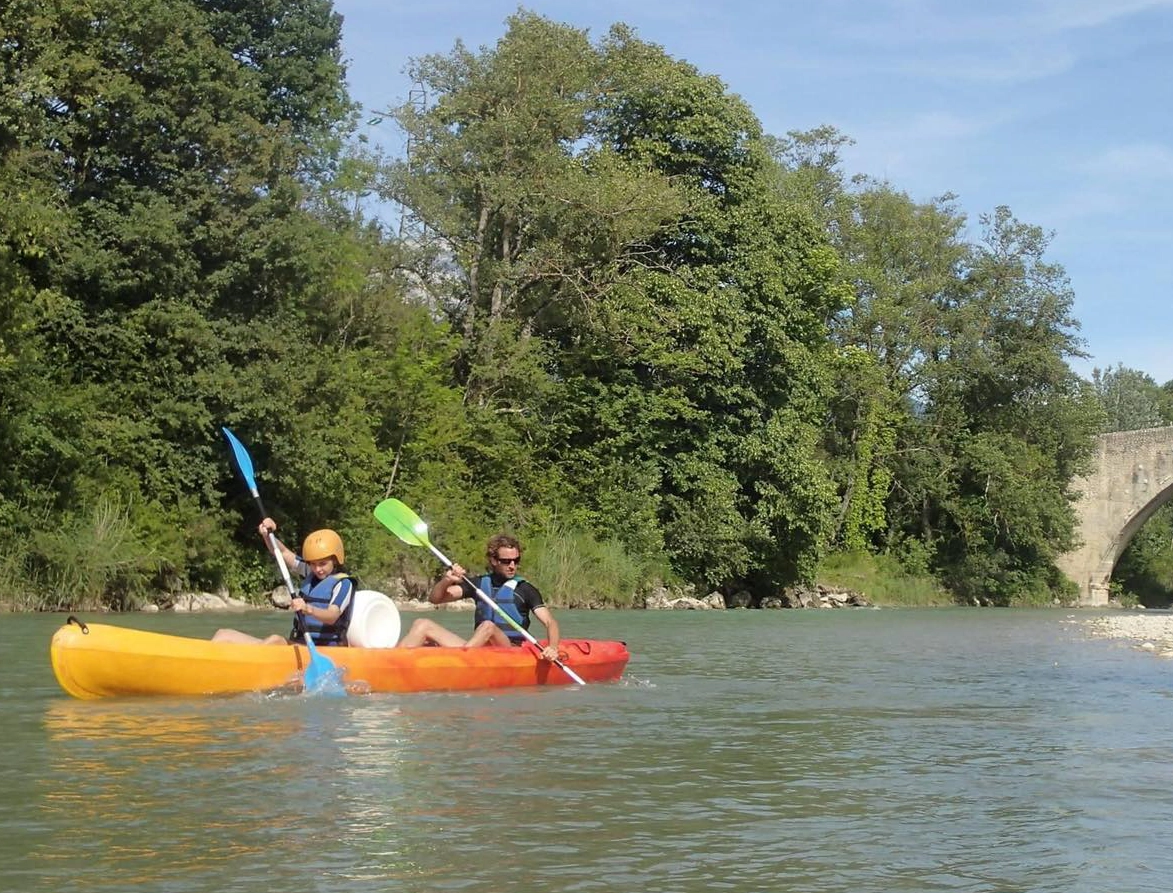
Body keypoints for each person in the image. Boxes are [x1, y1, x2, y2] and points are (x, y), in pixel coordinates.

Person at [397, 533, 562, 661]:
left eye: (516, 560)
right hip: (478, 647)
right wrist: (447, 580)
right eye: (506, 561)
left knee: (488, 626)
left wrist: (553, 647)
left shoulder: (525, 589)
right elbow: (436, 599)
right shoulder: (477, 584)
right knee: (422, 624)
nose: (512, 566)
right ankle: (390, 663)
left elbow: (550, 622)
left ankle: (460, 663)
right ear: (493, 560)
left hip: (509, 650)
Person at [212, 519, 355, 646]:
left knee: (275, 641)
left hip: (324, 649)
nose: (318, 569)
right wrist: (267, 535)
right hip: (300, 643)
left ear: (335, 560)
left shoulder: (343, 584)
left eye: (323, 563)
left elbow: (332, 616)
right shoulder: (309, 571)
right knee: (223, 634)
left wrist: (308, 609)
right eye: (313, 564)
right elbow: (283, 552)